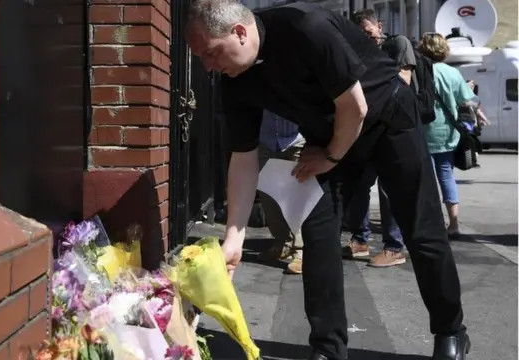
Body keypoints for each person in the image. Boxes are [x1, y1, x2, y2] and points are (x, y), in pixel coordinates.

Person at [184, 2, 469, 360]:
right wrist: (234, 238)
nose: (209, 67)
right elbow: (242, 159)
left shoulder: (307, 28)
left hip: (387, 119)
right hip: (330, 136)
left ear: (239, 33)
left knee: (420, 228)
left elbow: (356, 107)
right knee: (318, 237)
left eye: (210, 53)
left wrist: (331, 155)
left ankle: (450, 330)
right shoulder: (235, 79)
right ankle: (328, 348)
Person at [340, 9, 412, 267]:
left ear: (379, 26)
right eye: (361, 35)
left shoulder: (397, 44)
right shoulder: (355, 50)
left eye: (369, 33)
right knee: (358, 186)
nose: (367, 38)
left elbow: (405, 80)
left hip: (390, 128)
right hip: (365, 130)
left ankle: (394, 247)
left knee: (388, 190)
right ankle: (359, 240)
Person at [417, 33, 484, 238]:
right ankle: (453, 224)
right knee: (446, 176)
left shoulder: (419, 72)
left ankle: (426, 223)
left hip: (422, 133)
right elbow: (469, 100)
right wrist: (479, 114)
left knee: (422, 181)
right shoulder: (452, 73)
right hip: (447, 134)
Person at [257, 110, 305, 274]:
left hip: (296, 139)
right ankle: (283, 243)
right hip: (267, 140)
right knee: (268, 194)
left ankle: (301, 251)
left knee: (296, 196)